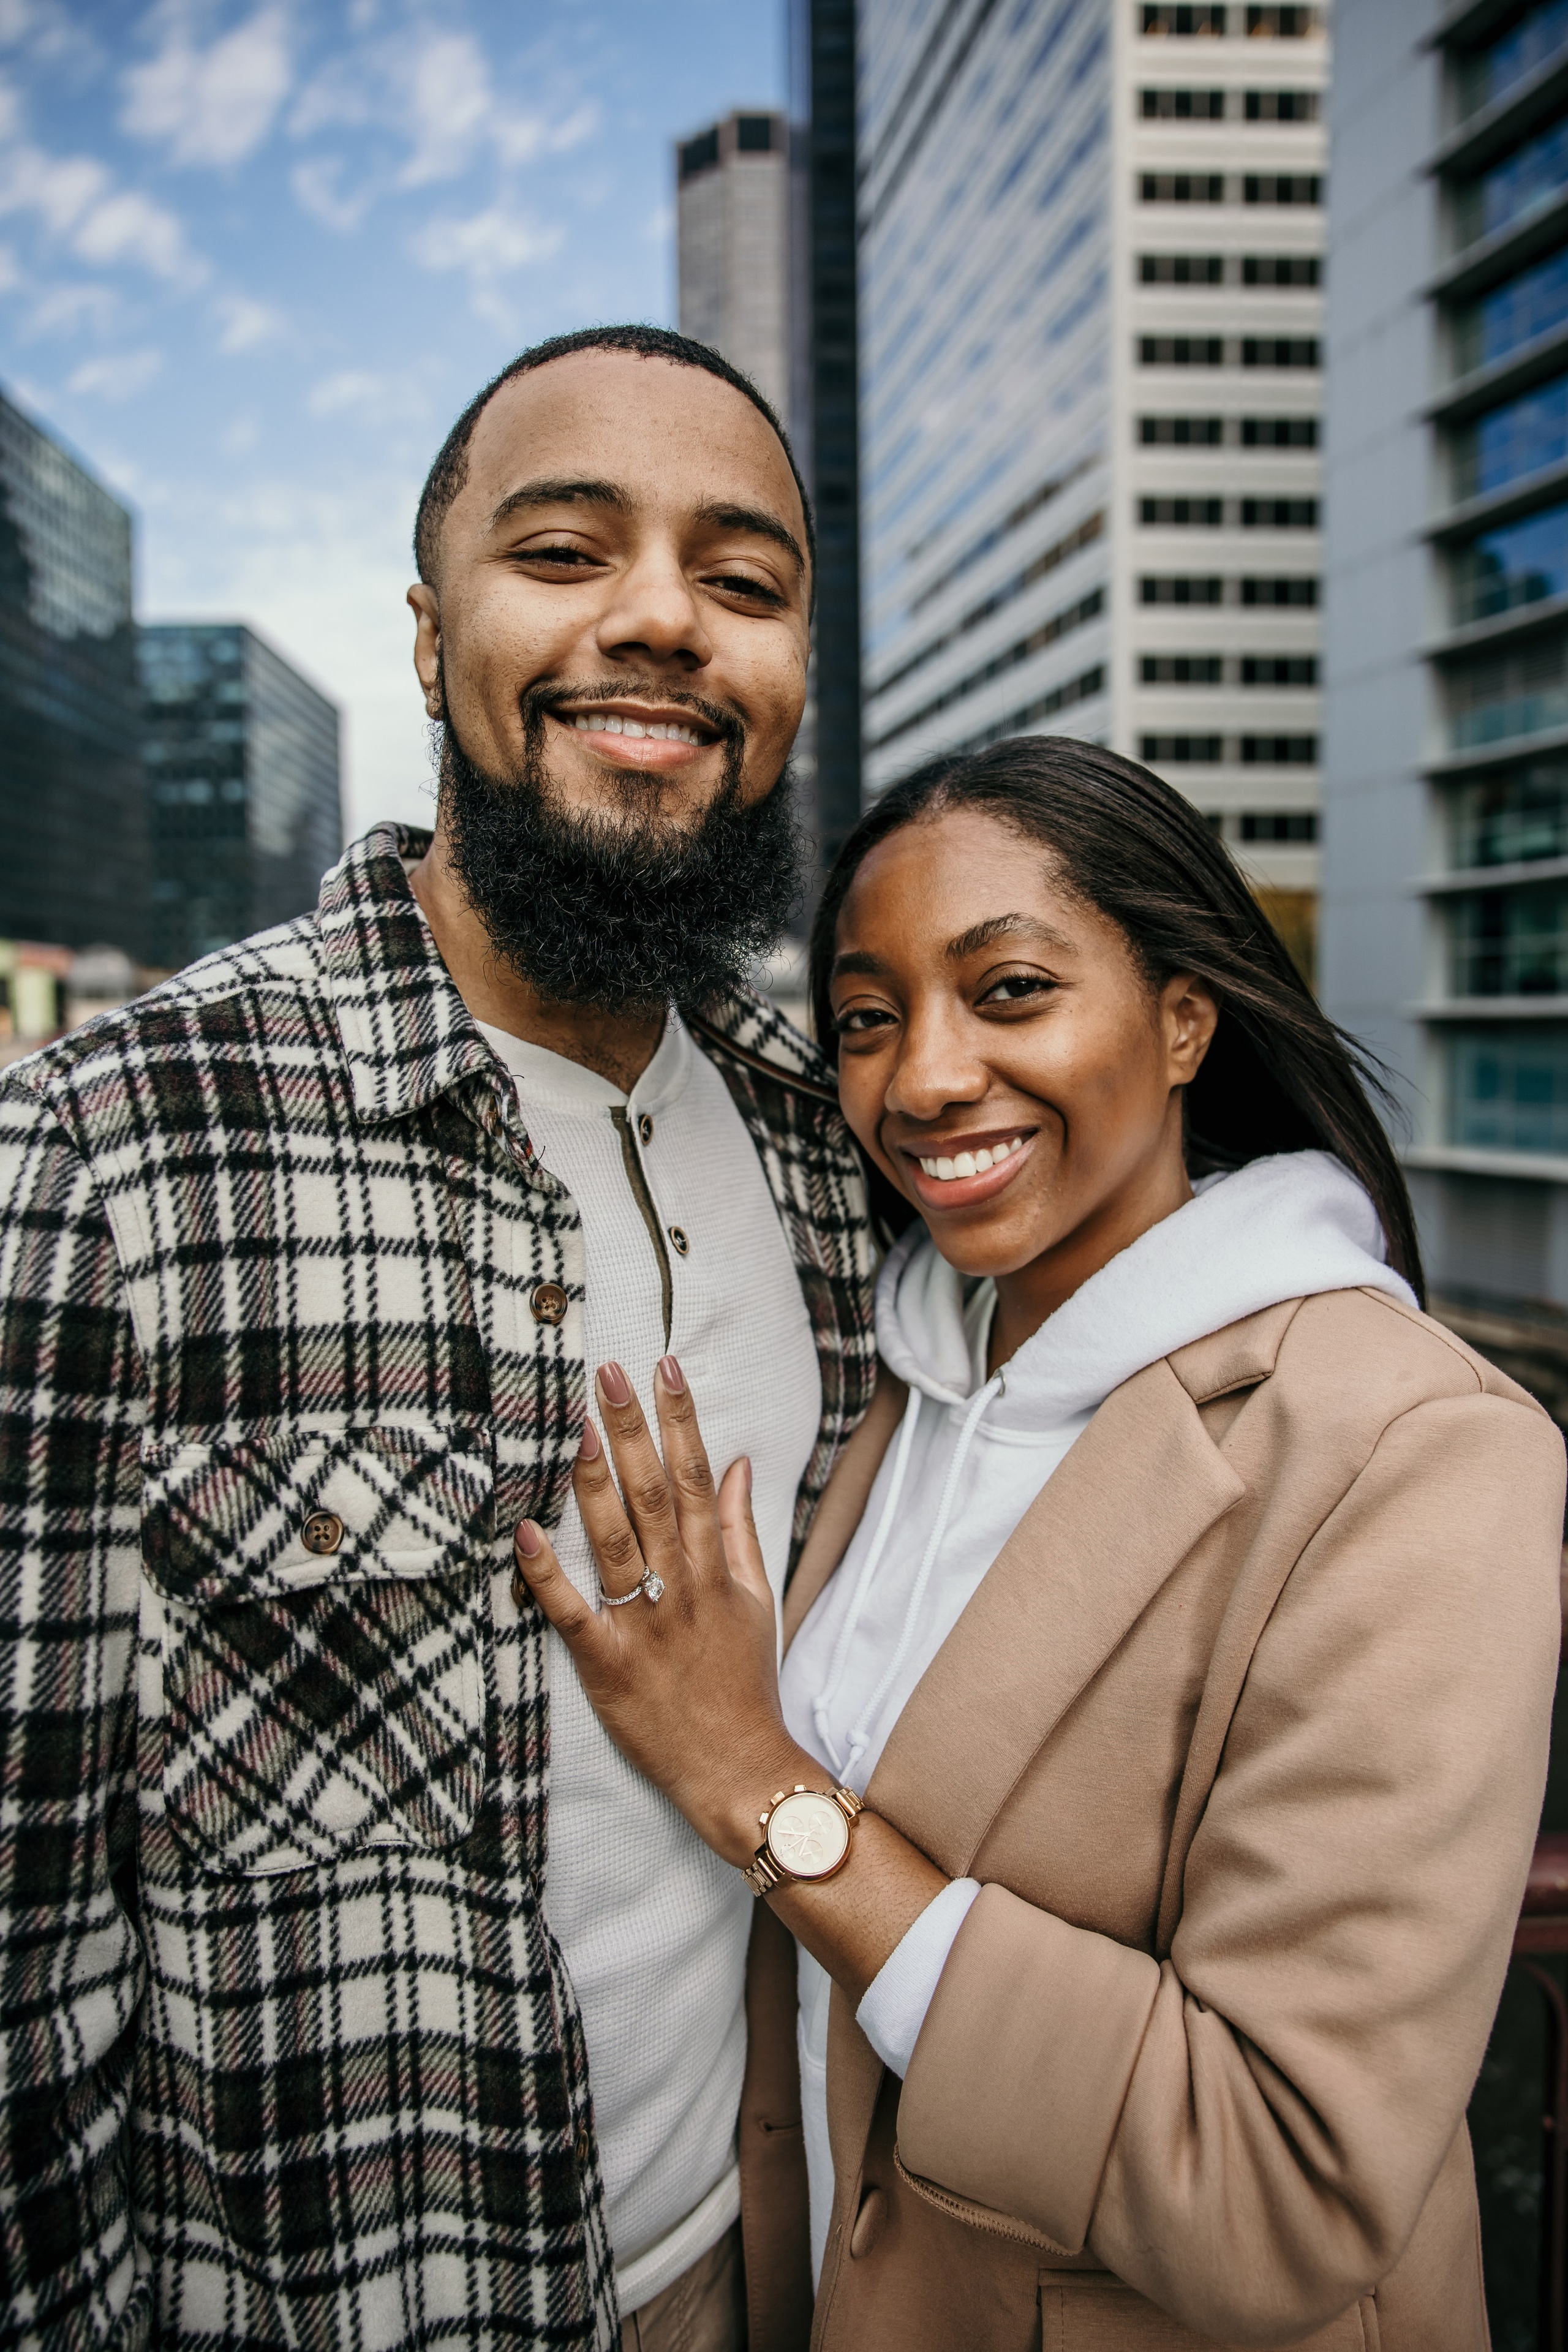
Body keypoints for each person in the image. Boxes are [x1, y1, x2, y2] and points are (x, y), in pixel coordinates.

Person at [0, 325, 875, 2351]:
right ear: (427, 635)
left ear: (796, 672)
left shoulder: (829, 1142)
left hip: (779, 2269)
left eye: (742, 584)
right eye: (565, 554)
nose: (661, 618)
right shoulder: (108, 1153)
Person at [514, 736, 1567, 2352]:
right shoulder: (916, 1377)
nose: (922, 1079)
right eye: (868, 1020)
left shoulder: (1409, 1449)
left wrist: (763, 1794)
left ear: (1184, 1017)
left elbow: (1280, 2180)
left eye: (1007, 992)